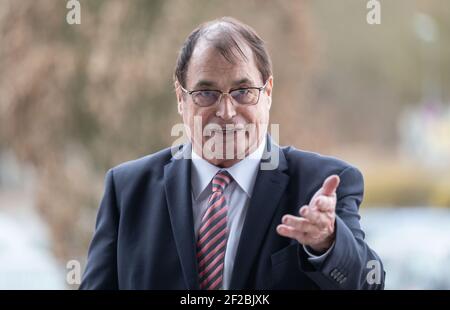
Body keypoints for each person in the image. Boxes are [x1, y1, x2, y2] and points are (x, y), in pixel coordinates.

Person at [80, 17, 385, 290]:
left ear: (267, 92)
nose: (226, 112)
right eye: (206, 93)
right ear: (180, 97)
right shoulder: (128, 189)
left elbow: (369, 283)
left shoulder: (322, 184)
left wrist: (327, 243)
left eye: (243, 92)